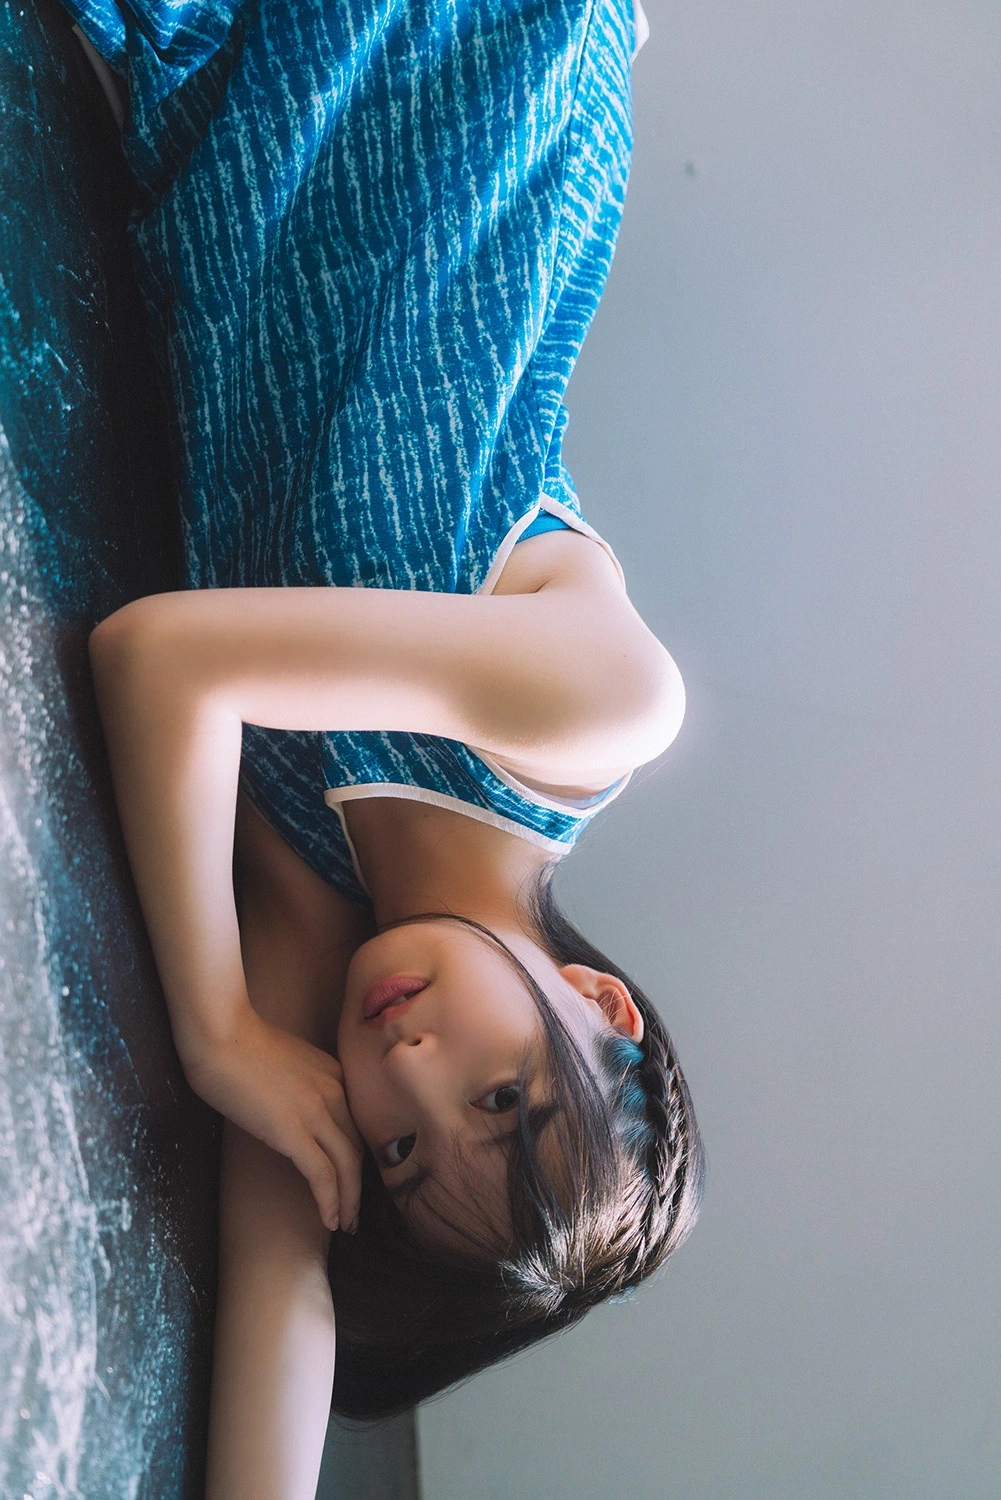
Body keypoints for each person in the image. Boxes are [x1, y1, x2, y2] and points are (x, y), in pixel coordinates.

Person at [72, 0, 704, 1489]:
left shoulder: (314, 883)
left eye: (405, 1151)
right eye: (498, 1098)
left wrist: (261, 1050)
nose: (405, 1073)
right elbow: (159, 658)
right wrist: (218, 1035)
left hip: (231, 79)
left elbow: (283, 1263)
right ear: (600, 1007)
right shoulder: (591, 717)